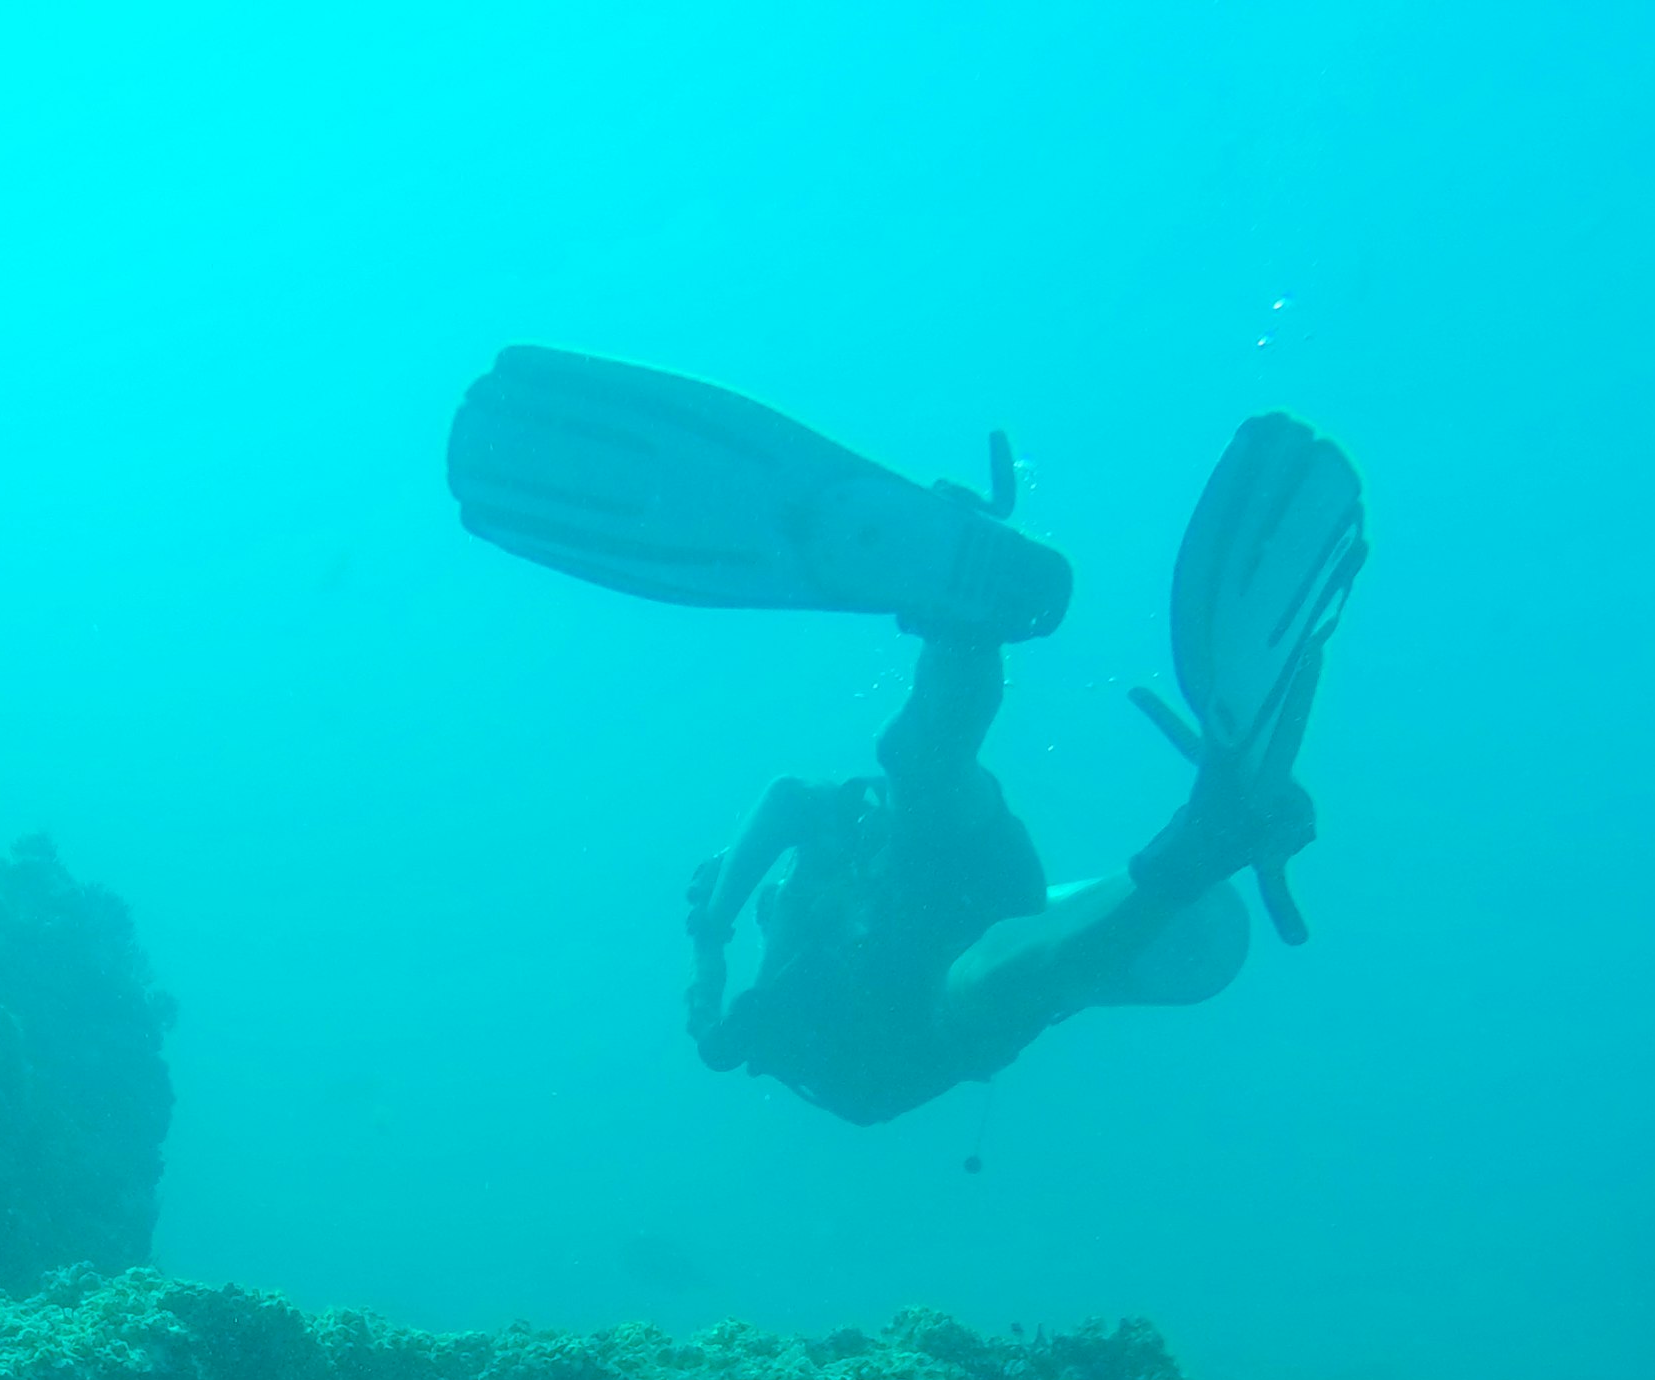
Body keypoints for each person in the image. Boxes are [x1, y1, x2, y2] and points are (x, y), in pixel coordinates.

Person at [446, 350, 1359, 1126]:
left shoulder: (794, 896)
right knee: (981, 979)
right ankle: (1194, 846)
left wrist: (716, 926)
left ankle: (965, 620)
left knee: (920, 769)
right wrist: (715, 941)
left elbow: (784, 803)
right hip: (911, 1024)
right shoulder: (785, 969)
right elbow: (768, 870)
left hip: (943, 900)